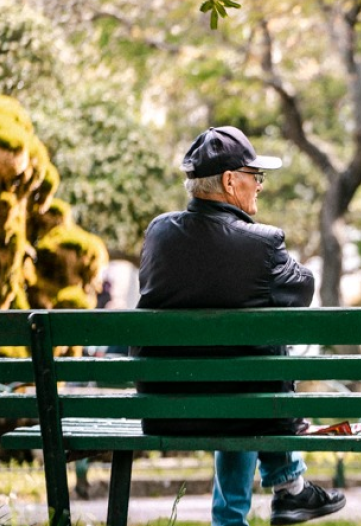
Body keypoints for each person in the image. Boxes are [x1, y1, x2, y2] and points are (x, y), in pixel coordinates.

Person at [136, 126, 346, 526]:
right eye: (256, 177)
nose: (260, 188)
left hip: (165, 407)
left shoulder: (159, 232)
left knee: (240, 373)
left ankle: (253, 509)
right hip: (243, 407)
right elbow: (302, 291)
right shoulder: (262, 243)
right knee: (257, 362)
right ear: (231, 181)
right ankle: (290, 488)